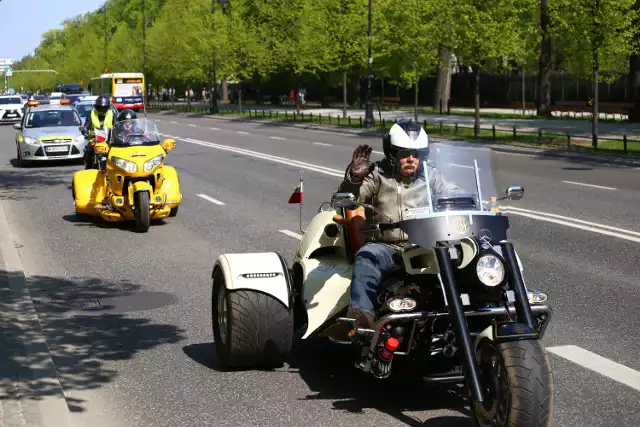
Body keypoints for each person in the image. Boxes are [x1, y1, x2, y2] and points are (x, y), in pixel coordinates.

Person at [330, 119, 463, 338]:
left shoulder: (430, 174)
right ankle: (362, 317)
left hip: (424, 246)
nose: (412, 159)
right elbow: (349, 199)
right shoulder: (377, 175)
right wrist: (354, 179)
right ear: (392, 154)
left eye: (417, 154)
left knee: (463, 255)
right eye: (405, 153)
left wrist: (474, 200)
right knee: (367, 256)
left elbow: (452, 191)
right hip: (387, 247)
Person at [83, 96, 115, 169]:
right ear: (96, 107)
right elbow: (86, 125)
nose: (102, 109)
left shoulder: (112, 114)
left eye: (104, 108)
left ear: (107, 107)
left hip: (109, 140)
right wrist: (84, 130)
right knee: (88, 151)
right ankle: (88, 169)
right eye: (100, 107)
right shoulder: (91, 114)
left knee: (116, 152)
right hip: (94, 139)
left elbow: (117, 125)